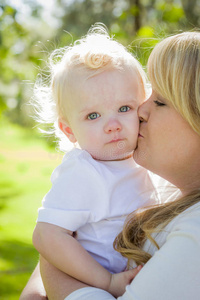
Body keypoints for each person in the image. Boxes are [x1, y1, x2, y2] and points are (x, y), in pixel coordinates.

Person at [20, 30, 200, 300]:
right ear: (69, 130)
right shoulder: (85, 171)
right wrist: (104, 281)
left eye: (126, 107)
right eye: (93, 115)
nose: (140, 111)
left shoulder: (191, 229)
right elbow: (48, 235)